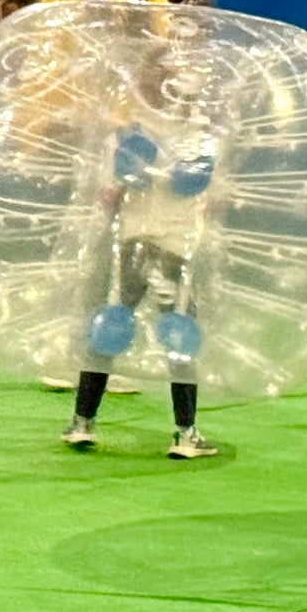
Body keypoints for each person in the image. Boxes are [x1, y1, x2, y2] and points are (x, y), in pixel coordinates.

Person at [61, 46, 226, 462]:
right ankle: (185, 431)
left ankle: (83, 422)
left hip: (131, 243)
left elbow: (106, 194)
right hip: (177, 246)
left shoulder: (128, 135)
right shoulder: (201, 134)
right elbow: (213, 193)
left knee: (109, 326)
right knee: (180, 335)